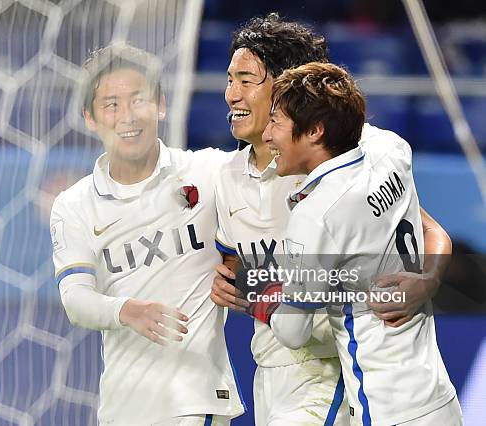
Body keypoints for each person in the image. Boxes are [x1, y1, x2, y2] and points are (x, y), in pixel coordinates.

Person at [210, 13, 452, 425]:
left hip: (330, 373)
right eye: (229, 79)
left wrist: (428, 279)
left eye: (246, 80)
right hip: (268, 371)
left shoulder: (347, 162)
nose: (231, 93)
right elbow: (237, 267)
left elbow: (428, 227)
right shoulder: (224, 175)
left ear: (288, 86)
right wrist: (236, 282)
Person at [50, 43, 244, 425]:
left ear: (160, 104)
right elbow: (75, 299)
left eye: (138, 99)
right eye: (111, 105)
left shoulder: (208, 171)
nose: (127, 117)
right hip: (122, 407)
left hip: (194, 400)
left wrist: (242, 269)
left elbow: (268, 195)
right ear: (90, 117)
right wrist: (126, 309)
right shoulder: (73, 205)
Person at [266, 61, 462, 425]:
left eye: (276, 122)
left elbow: (292, 332)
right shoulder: (392, 149)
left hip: (384, 406)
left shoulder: (317, 217)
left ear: (315, 131)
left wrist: (264, 293)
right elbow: (432, 229)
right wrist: (430, 279)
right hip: (437, 396)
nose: (267, 135)